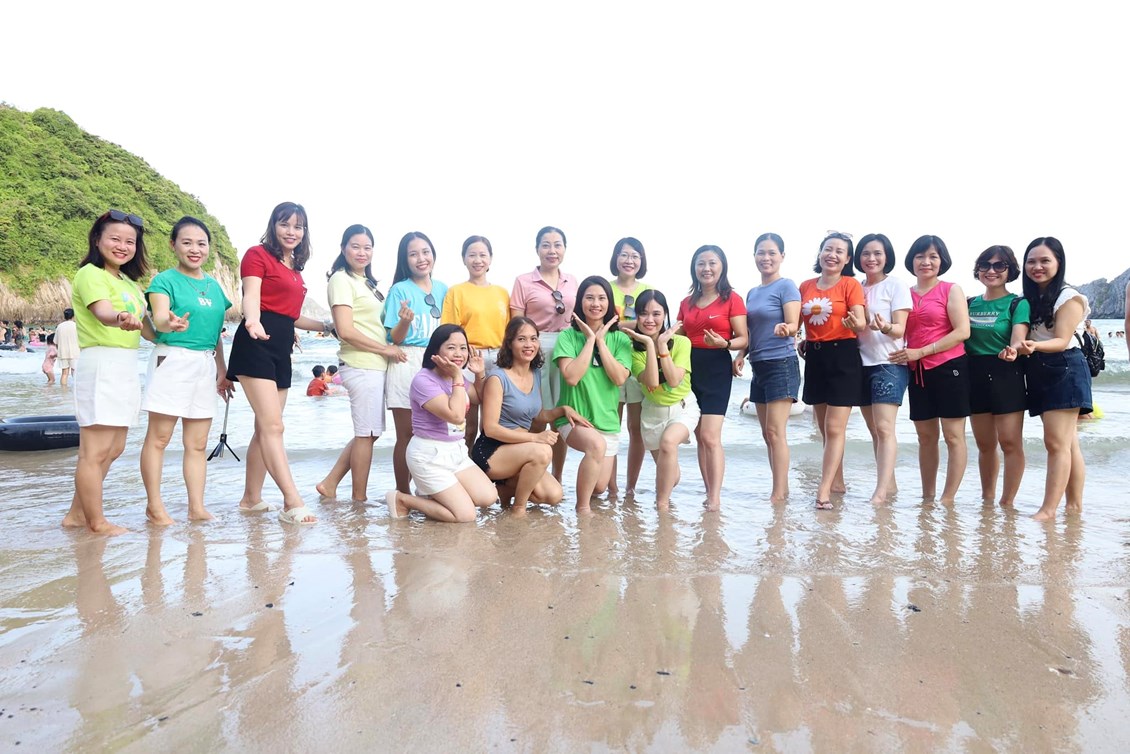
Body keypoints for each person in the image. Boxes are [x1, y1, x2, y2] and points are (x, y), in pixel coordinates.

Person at [226, 201, 333, 526]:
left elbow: (292, 315)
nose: (291, 231)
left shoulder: (295, 270)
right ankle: (292, 501)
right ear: (273, 226)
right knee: (274, 427)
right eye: (285, 224)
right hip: (256, 343)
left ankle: (251, 499)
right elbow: (252, 296)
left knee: (264, 428)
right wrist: (252, 321)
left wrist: (328, 327)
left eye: (298, 226)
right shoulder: (257, 255)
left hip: (281, 348)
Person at [61, 209, 154, 535]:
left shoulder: (130, 283)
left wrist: (173, 328)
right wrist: (120, 318)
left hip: (126, 366)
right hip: (100, 363)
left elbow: (148, 330)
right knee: (94, 450)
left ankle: (76, 515)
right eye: (115, 239)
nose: (122, 246)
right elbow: (103, 312)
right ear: (97, 240)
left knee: (113, 448)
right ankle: (97, 522)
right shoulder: (90, 274)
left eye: (130, 241)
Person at [139, 216, 234, 524]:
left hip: (205, 363)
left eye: (201, 244)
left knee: (197, 443)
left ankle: (197, 508)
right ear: (173, 245)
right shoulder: (164, 281)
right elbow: (160, 318)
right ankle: (155, 507)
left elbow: (216, 335)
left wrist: (222, 371)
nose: (195, 249)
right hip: (172, 359)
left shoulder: (214, 287)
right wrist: (170, 324)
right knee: (159, 438)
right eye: (187, 242)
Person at [317, 224, 407, 504]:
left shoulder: (366, 282)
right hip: (360, 364)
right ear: (343, 248)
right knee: (366, 434)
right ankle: (359, 500)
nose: (362, 252)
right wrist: (385, 349)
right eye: (355, 246)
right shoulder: (341, 280)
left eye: (367, 247)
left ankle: (330, 483)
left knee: (368, 433)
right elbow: (345, 330)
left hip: (374, 366)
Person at [471, 317, 589, 513]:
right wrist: (535, 437)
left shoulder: (535, 373)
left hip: (519, 450)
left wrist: (562, 410)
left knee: (554, 495)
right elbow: (490, 429)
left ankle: (505, 488)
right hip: (492, 452)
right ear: (509, 344)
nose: (529, 344)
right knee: (543, 451)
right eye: (521, 339)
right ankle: (519, 508)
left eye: (533, 339)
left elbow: (537, 415)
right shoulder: (497, 378)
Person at [385, 324, 499, 521]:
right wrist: (457, 376)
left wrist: (479, 373)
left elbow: (478, 397)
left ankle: (435, 494)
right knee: (466, 516)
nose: (459, 354)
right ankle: (402, 499)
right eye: (451, 347)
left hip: (456, 452)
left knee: (488, 497)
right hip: (429, 455)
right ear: (436, 350)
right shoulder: (424, 380)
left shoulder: (455, 376)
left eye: (463, 348)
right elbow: (456, 416)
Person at [889, 235, 971, 504]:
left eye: (933, 257)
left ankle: (948, 498)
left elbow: (962, 331)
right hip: (917, 372)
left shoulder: (950, 289)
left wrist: (922, 351)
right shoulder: (904, 293)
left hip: (950, 368)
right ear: (911, 260)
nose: (926, 262)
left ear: (942, 261)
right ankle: (928, 496)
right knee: (925, 437)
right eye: (920, 256)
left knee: (953, 436)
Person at [1015, 237, 1091, 521]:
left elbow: (1061, 340)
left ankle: (1048, 510)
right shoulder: (1030, 297)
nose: (1037, 267)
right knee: (1068, 442)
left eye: (1045, 260)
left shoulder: (1068, 297)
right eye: (1031, 261)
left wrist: (1033, 346)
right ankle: (1073, 507)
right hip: (1040, 368)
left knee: (1056, 443)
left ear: (1059, 262)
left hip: (1064, 367)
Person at [798, 231, 866, 509]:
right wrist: (801, 338)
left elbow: (860, 321)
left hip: (843, 356)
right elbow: (798, 321)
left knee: (836, 428)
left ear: (847, 259)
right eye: (828, 249)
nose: (832, 255)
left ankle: (823, 491)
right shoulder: (805, 286)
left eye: (840, 251)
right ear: (820, 253)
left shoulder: (850, 284)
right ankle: (838, 482)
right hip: (815, 357)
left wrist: (854, 324)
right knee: (824, 429)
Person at [553, 276, 632, 512]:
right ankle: (582, 510)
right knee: (596, 445)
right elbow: (572, 377)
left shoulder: (620, 339)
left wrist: (601, 342)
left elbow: (619, 378)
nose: (595, 304)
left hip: (606, 421)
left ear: (609, 303)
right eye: (589, 298)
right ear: (580, 302)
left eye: (601, 298)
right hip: (574, 420)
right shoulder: (567, 336)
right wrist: (589, 341)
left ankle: (587, 495)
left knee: (599, 487)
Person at [677, 245, 748, 510]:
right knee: (698, 435)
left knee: (710, 435)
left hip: (717, 367)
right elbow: (678, 338)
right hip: (690, 368)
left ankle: (716, 496)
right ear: (694, 268)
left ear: (722, 267)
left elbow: (743, 338)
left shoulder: (732, 299)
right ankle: (708, 491)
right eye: (701, 263)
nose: (706, 268)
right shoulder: (686, 303)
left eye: (712, 263)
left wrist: (725, 344)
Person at [732, 232, 801, 503]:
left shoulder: (787, 286)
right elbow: (752, 331)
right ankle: (781, 489)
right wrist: (741, 354)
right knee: (766, 434)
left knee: (775, 431)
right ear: (754, 256)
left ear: (782, 256)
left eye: (772, 252)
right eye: (761, 252)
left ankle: (778, 493)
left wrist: (787, 328)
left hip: (781, 362)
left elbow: (793, 324)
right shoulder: (752, 293)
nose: (766, 258)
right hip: (758, 365)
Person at [510, 226, 578, 481]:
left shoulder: (572, 281)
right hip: (534, 347)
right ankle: (532, 476)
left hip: (566, 348)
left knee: (560, 416)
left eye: (557, 245)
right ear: (537, 249)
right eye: (546, 245)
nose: (552, 250)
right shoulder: (523, 281)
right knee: (536, 416)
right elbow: (516, 323)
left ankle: (557, 478)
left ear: (565, 249)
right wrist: (523, 352)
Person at [622, 290, 700, 509]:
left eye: (656, 314)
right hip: (652, 413)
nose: (650, 320)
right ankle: (664, 496)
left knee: (668, 442)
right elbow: (652, 381)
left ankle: (662, 507)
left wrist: (663, 346)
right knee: (671, 477)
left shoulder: (682, 342)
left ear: (665, 314)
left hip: (682, 408)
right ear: (636, 316)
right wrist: (650, 344)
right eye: (643, 313)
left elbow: (674, 380)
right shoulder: (632, 350)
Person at [384, 231, 448, 494]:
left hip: (437, 362)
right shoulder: (399, 290)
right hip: (406, 360)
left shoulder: (444, 289)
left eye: (425, 252)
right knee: (407, 434)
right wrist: (404, 321)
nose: (421, 258)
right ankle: (402, 493)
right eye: (413, 254)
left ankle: (429, 489)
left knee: (434, 432)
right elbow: (394, 338)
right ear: (405, 260)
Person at [966, 245, 1029, 507]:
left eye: (999, 265)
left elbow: (1018, 339)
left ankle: (1007, 502)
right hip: (973, 374)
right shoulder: (969, 303)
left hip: (1006, 372)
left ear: (1010, 270)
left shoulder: (1017, 303)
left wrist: (1013, 350)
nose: (991, 271)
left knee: (1010, 443)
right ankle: (988, 500)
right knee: (984, 444)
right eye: (985, 265)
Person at [854, 233, 912, 504]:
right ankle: (890, 486)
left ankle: (879, 492)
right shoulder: (856, 287)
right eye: (866, 253)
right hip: (860, 364)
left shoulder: (895, 285)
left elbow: (900, 328)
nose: (871, 258)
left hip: (888, 363)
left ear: (887, 256)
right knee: (874, 430)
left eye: (877, 253)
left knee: (885, 428)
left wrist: (885, 326)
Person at [441, 235, 510, 452]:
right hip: (469, 358)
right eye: (472, 255)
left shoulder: (502, 293)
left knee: (492, 423)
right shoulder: (456, 291)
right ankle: (463, 463)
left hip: (499, 358)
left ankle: (487, 467)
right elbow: (450, 331)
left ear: (490, 259)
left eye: (482, 255)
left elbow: (510, 330)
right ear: (464, 259)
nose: (478, 260)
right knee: (467, 424)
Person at [607, 237, 652, 497]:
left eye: (635, 256)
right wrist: (633, 325)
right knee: (610, 426)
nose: (629, 261)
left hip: (638, 363)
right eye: (624, 255)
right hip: (609, 365)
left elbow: (654, 325)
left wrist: (619, 325)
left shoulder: (648, 290)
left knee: (636, 429)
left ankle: (630, 486)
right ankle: (611, 486)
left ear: (641, 261)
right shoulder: (606, 288)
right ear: (615, 258)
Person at [55, 308, 79, 387]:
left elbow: (56, 342)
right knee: (75, 372)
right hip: (75, 352)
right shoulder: (76, 326)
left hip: (63, 352)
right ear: (73, 316)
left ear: (64, 316)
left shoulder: (59, 326)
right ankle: (76, 389)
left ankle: (63, 390)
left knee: (64, 373)